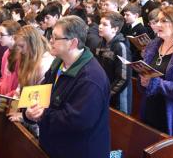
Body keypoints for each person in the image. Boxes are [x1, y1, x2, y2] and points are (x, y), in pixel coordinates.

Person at [23, 16, 110, 158]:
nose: (50, 40)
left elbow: (77, 122)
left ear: (73, 43)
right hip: (54, 146)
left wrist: (43, 114)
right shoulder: (59, 62)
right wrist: (28, 111)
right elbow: (43, 91)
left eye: (55, 38)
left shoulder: (91, 78)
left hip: (79, 151)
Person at [139, 6, 173, 135]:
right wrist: (144, 79)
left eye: (164, 21)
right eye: (157, 21)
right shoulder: (153, 46)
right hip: (150, 110)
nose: (158, 24)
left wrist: (156, 84)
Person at [96, 11, 132, 114]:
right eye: (100, 23)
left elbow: (123, 78)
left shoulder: (120, 47)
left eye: (105, 24)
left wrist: (108, 94)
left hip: (118, 98)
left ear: (115, 29)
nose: (100, 26)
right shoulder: (100, 44)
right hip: (103, 92)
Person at [0, 20, 21, 96]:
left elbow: (19, 85)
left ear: (12, 36)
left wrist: (8, 96)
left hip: (11, 99)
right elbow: (2, 77)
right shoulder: (6, 53)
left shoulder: (20, 56)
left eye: (1, 35)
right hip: (2, 96)